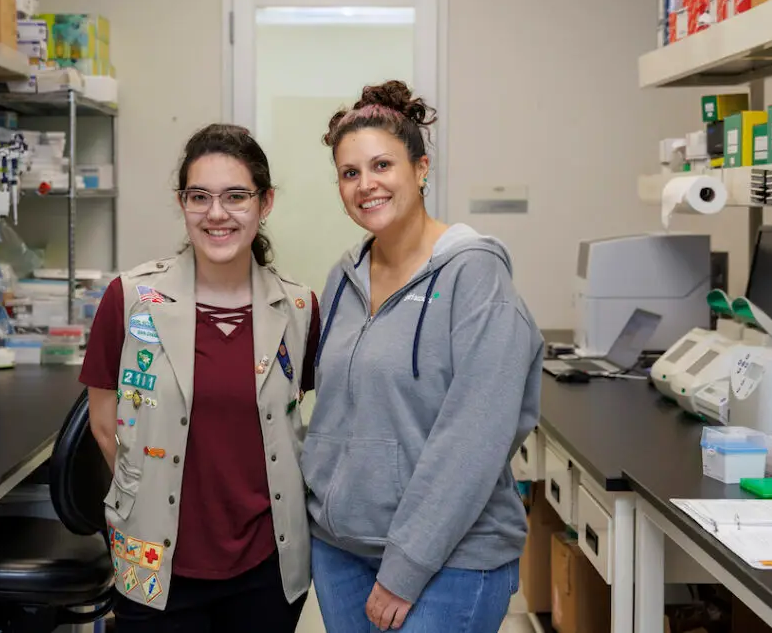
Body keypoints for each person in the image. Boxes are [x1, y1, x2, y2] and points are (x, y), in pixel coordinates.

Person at [300, 81, 543, 633]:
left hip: (448, 560)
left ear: (421, 168)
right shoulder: (344, 277)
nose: (367, 185)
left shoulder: (476, 276)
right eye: (350, 172)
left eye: (382, 165)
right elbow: (335, 412)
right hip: (342, 550)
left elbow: (474, 439)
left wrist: (405, 568)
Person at [79, 123, 320, 632]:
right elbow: (104, 427)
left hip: (267, 566)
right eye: (199, 196)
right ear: (182, 202)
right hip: (156, 564)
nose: (216, 213)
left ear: (265, 202)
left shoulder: (298, 308)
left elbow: (295, 423)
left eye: (236, 196)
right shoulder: (130, 301)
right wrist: (153, 490)